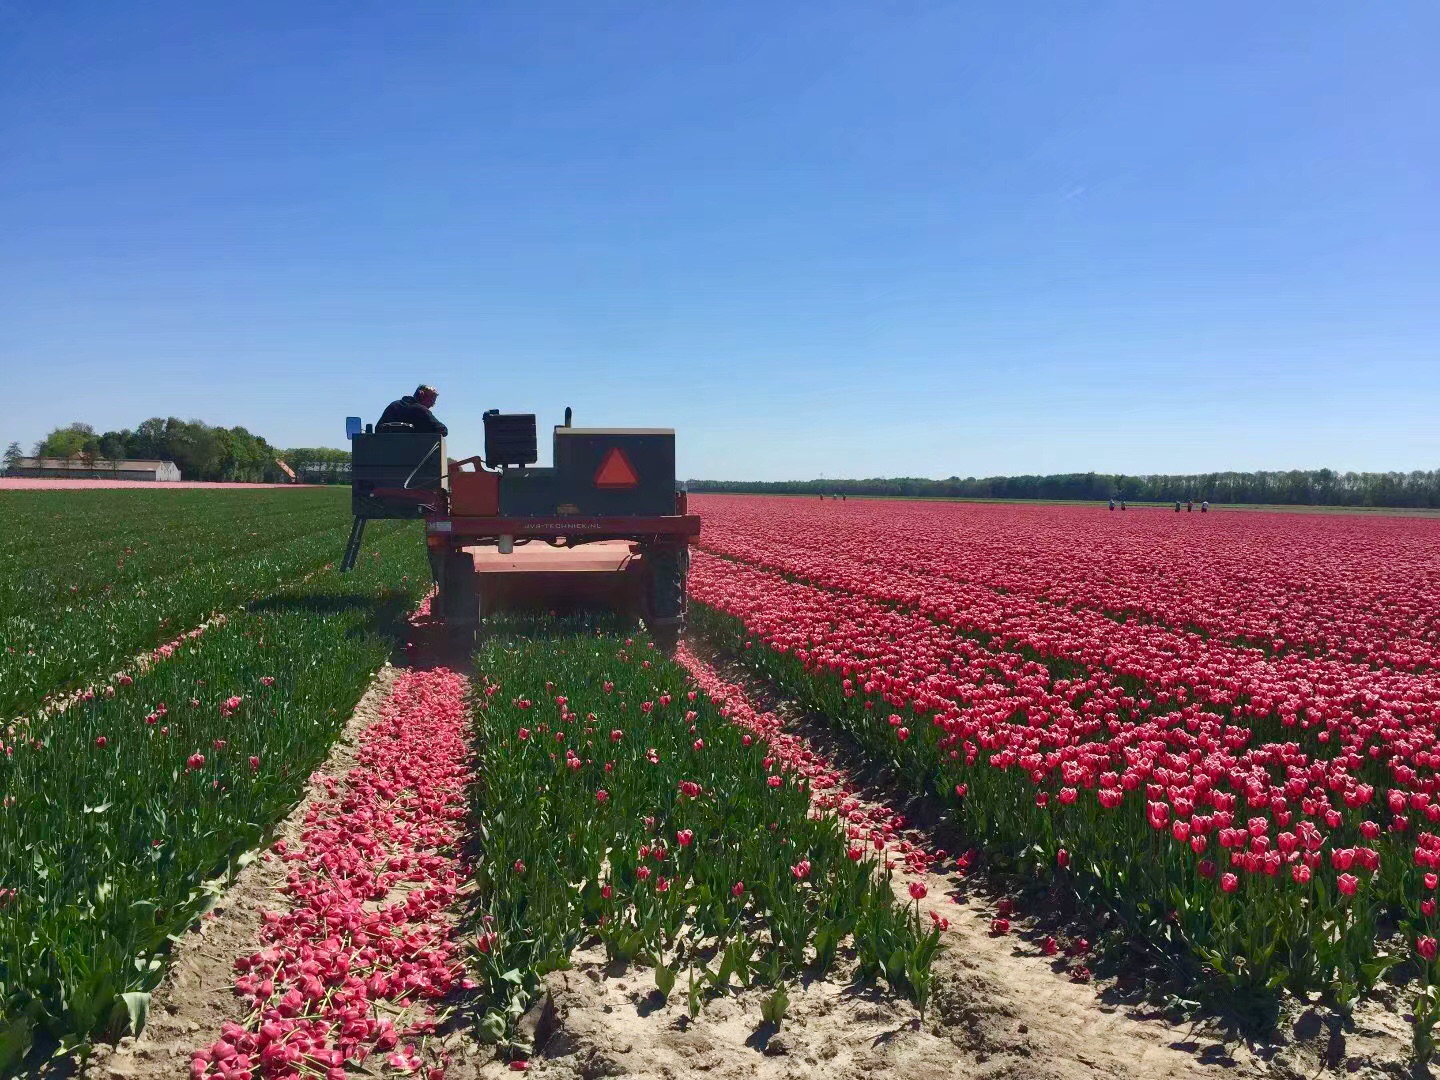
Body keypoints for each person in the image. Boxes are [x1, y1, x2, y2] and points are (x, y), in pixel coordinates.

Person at [377, 384, 448, 435]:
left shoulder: (393, 405)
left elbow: (378, 428)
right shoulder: (421, 410)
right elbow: (443, 430)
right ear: (422, 394)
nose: (432, 405)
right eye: (431, 401)